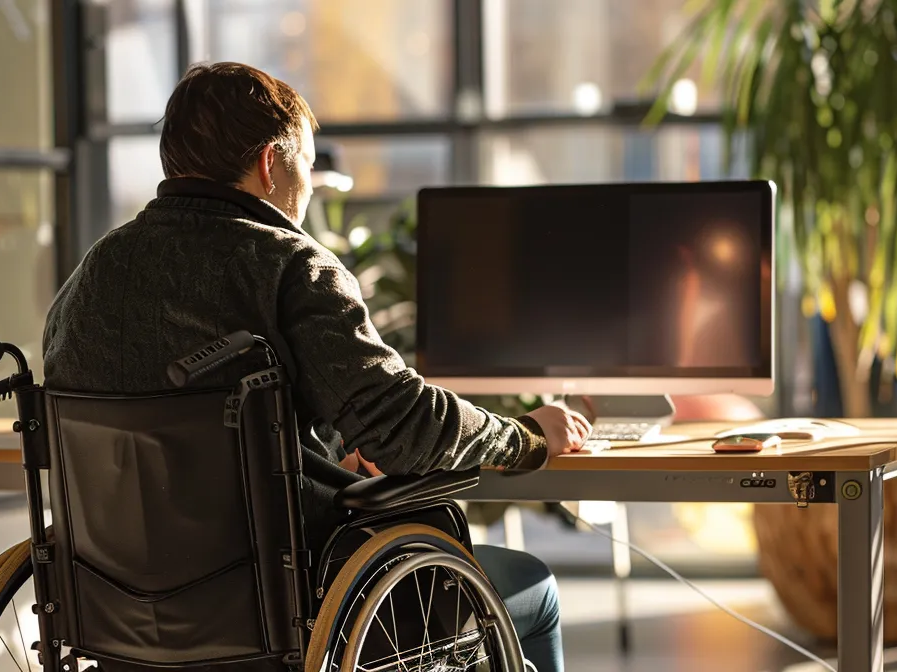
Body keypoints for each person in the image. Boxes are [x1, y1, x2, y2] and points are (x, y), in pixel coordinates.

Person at [42, 62, 580, 672]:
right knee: (531, 584)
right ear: (272, 162)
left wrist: (318, 465)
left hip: (120, 615)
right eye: (308, 166)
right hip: (292, 610)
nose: (310, 188)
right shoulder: (288, 265)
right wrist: (526, 436)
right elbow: (402, 428)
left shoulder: (90, 277)